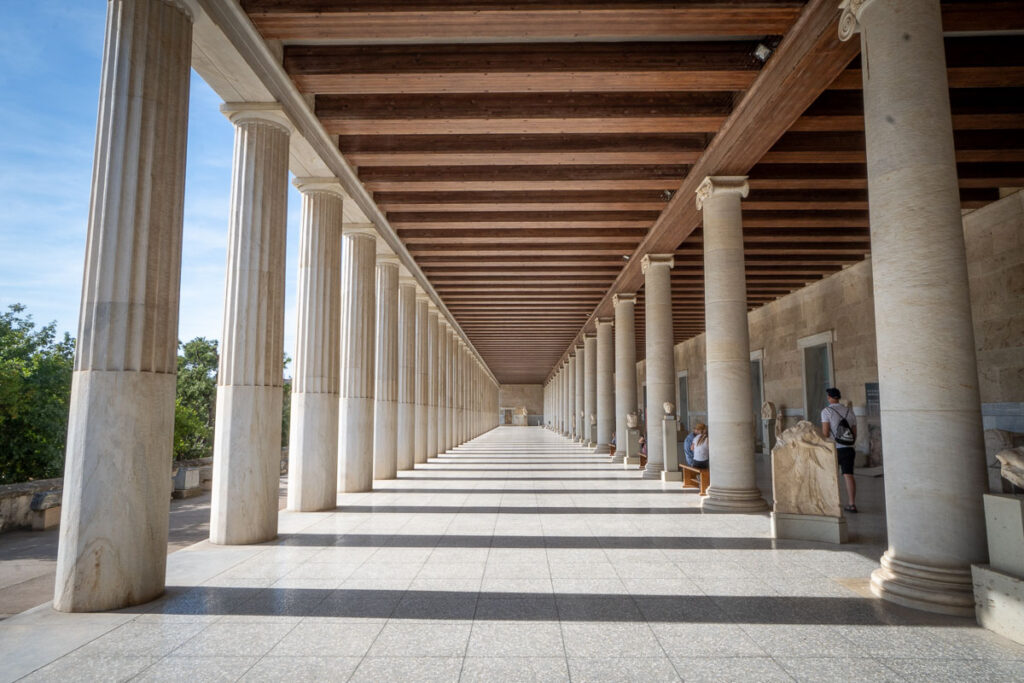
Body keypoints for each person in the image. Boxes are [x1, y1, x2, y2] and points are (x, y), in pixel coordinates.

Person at [821, 387, 858, 513]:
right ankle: (852, 504)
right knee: (849, 475)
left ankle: (832, 504)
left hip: (834, 448)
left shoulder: (826, 411)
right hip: (848, 448)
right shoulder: (849, 411)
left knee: (832, 476)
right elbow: (854, 433)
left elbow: (825, 433)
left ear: (829, 398)